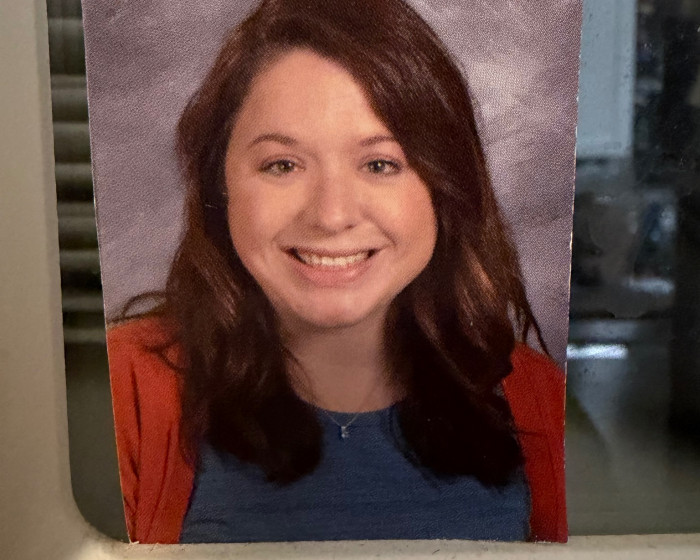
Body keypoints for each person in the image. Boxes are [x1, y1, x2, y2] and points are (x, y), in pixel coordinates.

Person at [107, 0, 566, 544]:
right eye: (282, 165)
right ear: (219, 187)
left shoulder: (542, 398)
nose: (331, 215)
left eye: (380, 164)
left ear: (447, 189)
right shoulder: (121, 390)